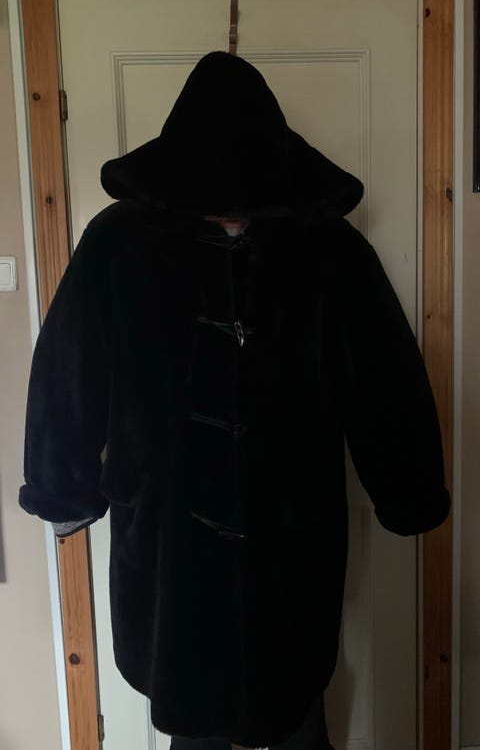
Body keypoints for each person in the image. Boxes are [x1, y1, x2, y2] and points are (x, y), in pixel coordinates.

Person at [19, 52, 450, 750]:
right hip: (168, 541)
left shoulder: (327, 251)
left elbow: (384, 376)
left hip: (289, 534)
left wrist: (407, 487)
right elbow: (67, 373)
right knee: (191, 714)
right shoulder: (119, 244)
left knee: (297, 711)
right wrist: (62, 486)